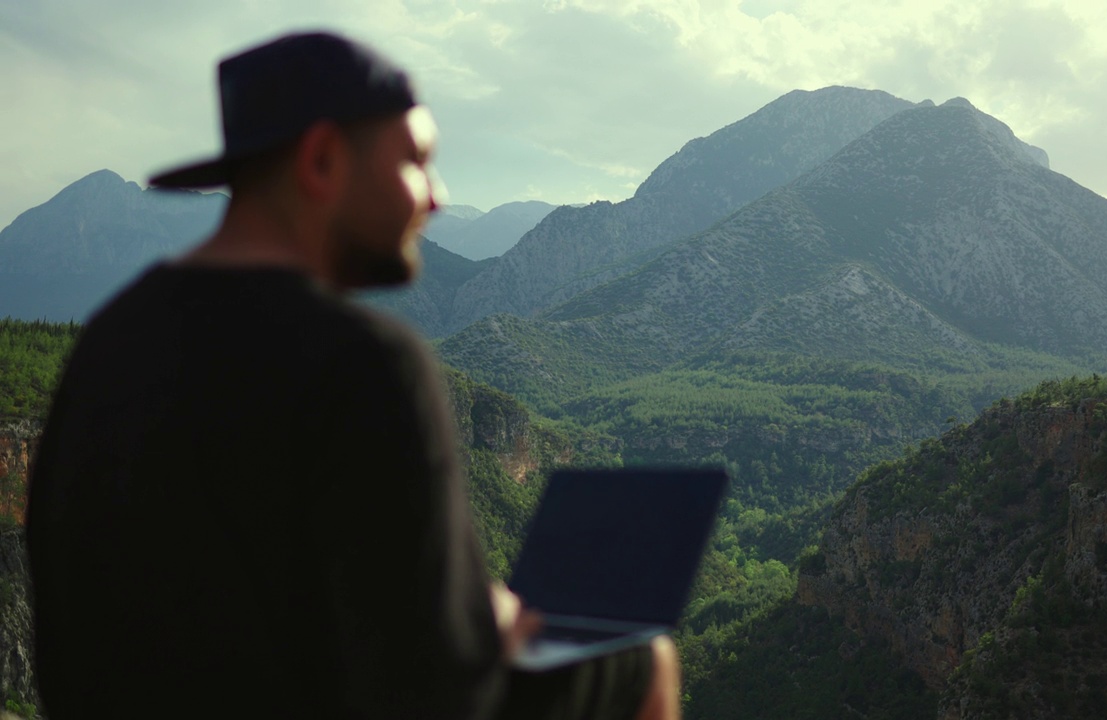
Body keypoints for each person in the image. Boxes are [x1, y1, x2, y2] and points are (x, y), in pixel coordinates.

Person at [25, 31, 680, 719]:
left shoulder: (109, 341)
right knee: (643, 661)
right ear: (322, 159)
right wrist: (494, 621)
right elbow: (437, 691)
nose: (436, 197)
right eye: (416, 161)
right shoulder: (363, 362)